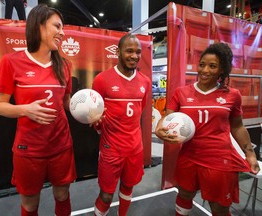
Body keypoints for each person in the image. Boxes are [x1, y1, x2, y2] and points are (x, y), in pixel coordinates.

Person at [155, 42, 260, 216]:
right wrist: (159, 128)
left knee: (219, 207)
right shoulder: (180, 93)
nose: (204, 70)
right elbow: (168, 117)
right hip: (189, 156)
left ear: (222, 70)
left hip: (219, 160)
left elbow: (238, 126)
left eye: (212, 66)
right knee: (184, 194)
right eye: (202, 64)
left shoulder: (232, 95)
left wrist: (250, 154)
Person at [0, 4, 76, 216]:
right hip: (28, 150)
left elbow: (66, 102)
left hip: (61, 145)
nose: (62, 32)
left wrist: (87, 109)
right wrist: (26, 110)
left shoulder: (65, 65)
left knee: (62, 195)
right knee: (30, 205)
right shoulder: (11, 62)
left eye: (63, 27)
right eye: (56, 26)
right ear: (38, 27)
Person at [92, 34, 151, 216]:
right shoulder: (102, 79)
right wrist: (96, 123)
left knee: (128, 187)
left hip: (135, 148)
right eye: (129, 51)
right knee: (107, 195)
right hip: (111, 149)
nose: (134, 56)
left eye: (138, 52)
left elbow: (139, 112)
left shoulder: (145, 82)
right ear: (118, 52)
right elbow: (95, 114)